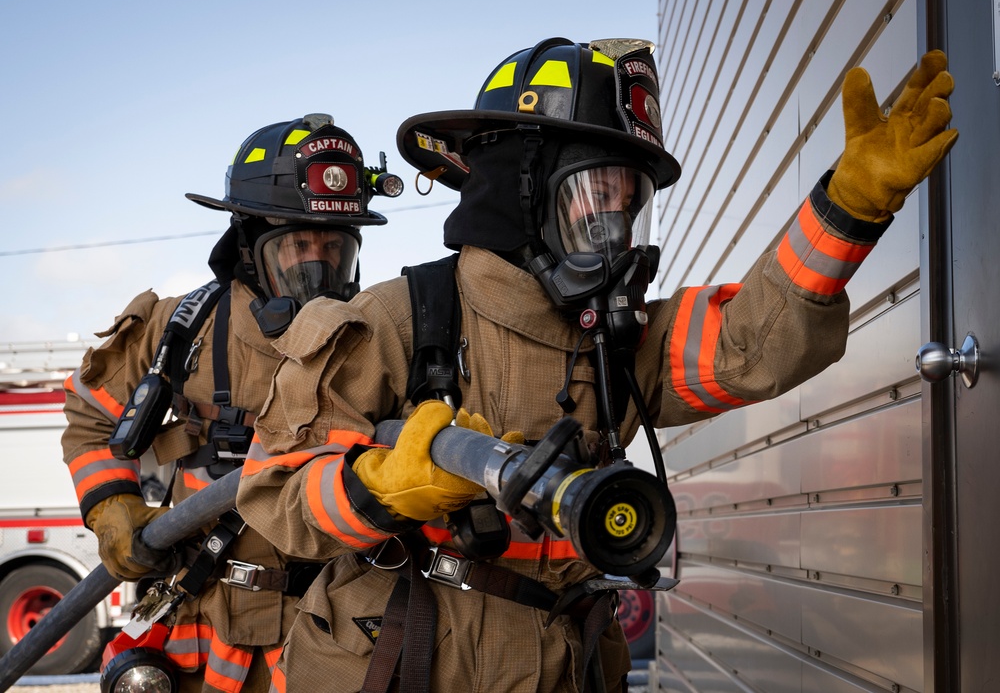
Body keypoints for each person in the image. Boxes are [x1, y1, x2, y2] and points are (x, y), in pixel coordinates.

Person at [235, 38, 958, 693]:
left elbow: (750, 343)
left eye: (629, 200)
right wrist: (382, 486)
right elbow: (275, 497)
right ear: (524, 189)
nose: (615, 224)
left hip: (566, 659)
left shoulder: (619, 340)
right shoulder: (398, 320)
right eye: (596, 192)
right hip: (407, 656)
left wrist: (849, 207)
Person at [61, 113, 400, 692]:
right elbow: (91, 411)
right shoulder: (180, 328)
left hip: (336, 623)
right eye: (296, 246)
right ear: (247, 244)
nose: (317, 267)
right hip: (205, 615)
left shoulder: (386, 334)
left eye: (334, 247)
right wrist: (111, 505)